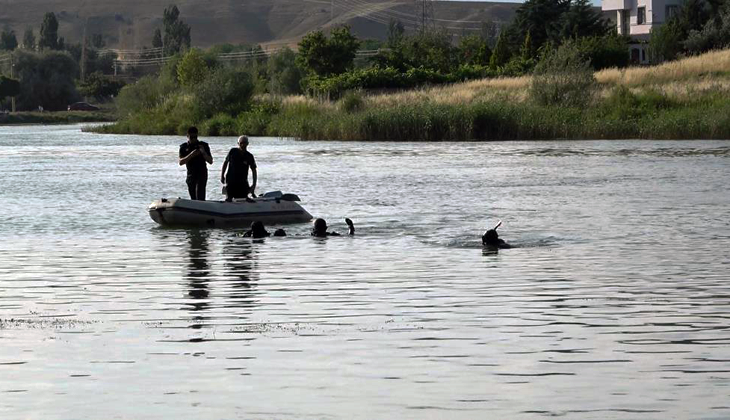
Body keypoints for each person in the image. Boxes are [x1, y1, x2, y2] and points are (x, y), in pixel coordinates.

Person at [179, 126, 213, 201]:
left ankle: (202, 208)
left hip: (201, 174)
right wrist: (191, 155)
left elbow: (210, 161)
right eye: (192, 137)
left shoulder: (203, 145)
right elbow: (181, 162)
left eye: (195, 137)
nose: (194, 139)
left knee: (200, 196)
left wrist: (203, 152)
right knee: (193, 198)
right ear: (187, 136)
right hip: (191, 175)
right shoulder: (184, 147)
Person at [221, 135, 257, 202]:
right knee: (229, 198)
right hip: (231, 180)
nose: (243, 145)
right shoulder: (233, 151)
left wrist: (254, 184)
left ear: (247, 144)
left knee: (243, 199)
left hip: (242, 181)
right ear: (238, 144)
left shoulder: (249, 156)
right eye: (241, 143)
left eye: (245, 143)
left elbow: (254, 170)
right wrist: (222, 175)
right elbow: (225, 163)